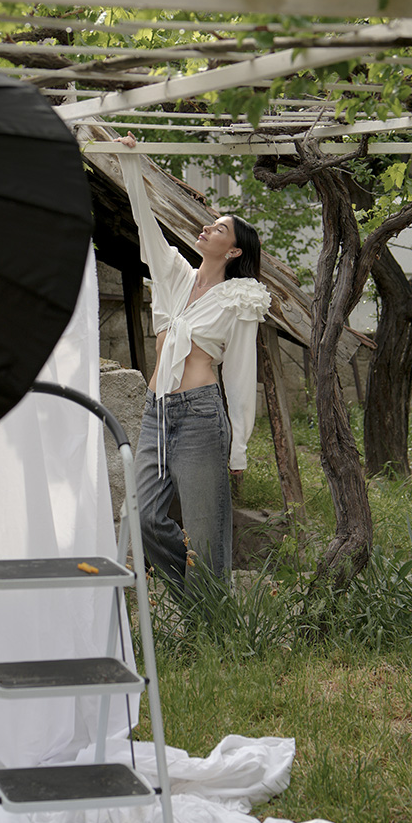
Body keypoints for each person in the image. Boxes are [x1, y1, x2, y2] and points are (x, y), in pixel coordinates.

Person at [117, 134, 270, 593]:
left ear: (235, 251)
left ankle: (212, 629)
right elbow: (146, 226)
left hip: (202, 417)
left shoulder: (241, 298)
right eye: (210, 224)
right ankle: (195, 599)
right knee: (142, 516)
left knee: (206, 534)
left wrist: (238, 445)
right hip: (156, 413)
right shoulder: (174, 277)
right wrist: (131, 164)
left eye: (220, 229)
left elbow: (242, 374)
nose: (207, 229)